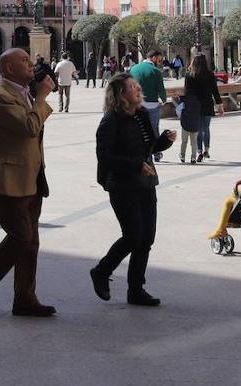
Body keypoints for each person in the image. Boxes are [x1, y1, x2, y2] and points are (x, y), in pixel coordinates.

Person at [0, 48, 57, 317]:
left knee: (31, 242)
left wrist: (37, 97)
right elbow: (29, 127)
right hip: (9, 179)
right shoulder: (0, 98)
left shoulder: (24, 94)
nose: (31, 64)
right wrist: (41, 97)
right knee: (22, 236)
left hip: (32, 176)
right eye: (24, 61)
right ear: (8, 69)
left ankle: (25, 297)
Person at [90, 73, 176, 306]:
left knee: (146, 238)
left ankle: (136, 290)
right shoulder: (111, 120)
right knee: (132, 236)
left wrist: (165, 141)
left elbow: (149, 147)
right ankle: (101, 271)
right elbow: (105, 157)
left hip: (146, 183)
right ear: (120, 94)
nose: (138, 89)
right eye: (131, 87)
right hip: (122, 184)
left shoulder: (141, 114)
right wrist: (136, 165)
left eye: (136, 86)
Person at [181, 53, 223, 161]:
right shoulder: (210, 75)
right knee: (206, 128)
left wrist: (185, 105)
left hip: (195, 105)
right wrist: (220, 105)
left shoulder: (189, 75)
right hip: (207, 104)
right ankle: (207, 150)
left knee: (197, 129)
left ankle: (198, 150)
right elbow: (215, 91)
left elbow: (186, 91)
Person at [129, 51, 168, 162]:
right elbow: (160, 89)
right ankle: (156, 152)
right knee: (153, 129)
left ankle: (141, 152)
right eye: (159, 60)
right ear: (154, 58)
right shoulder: (155, 71)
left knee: (139, 129)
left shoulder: (134, 69)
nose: (160, 62)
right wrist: (164, 100)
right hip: (152, 104)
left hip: (137, 103)